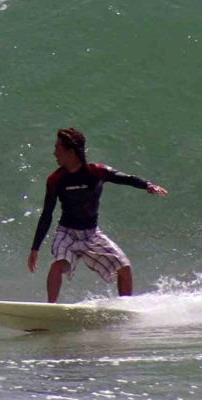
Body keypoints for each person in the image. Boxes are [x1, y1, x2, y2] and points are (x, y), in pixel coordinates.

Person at [27, 128, 168, 302]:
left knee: (124, 268)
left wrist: (147, 185)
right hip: (66, 233)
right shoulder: (55, 179)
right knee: (57, 265)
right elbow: (47, 214)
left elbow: (125, 178)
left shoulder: (97, 172)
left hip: (91, 235)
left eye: (58, 148)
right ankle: (50, 309)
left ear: (70, 151)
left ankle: (124, 310)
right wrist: (35, 248)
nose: (54, 152)